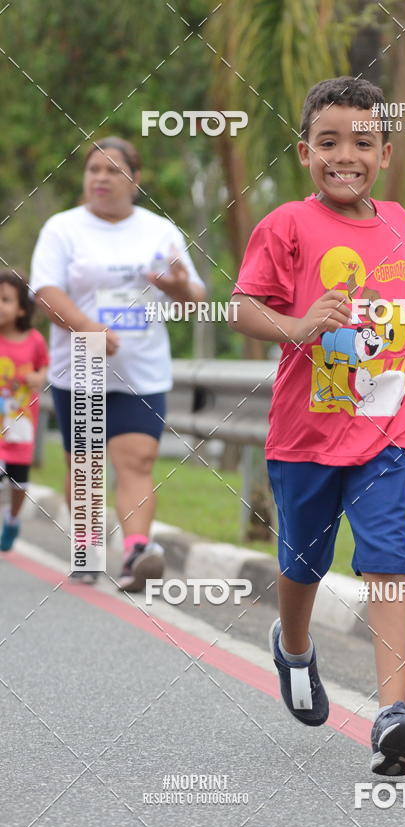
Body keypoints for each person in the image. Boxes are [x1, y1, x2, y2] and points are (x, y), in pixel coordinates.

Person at [229, 77, 405, 775]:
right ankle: (292, 648)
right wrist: (298, 325)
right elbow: (242, 308)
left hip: (386, 430)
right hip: (305, 435)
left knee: (388, 557)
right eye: (329, 142)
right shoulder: (286, 223)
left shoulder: (398, 220)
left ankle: (394, 713)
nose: (346, 156)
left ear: (385, 153)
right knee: (303, 563)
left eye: (363, 143)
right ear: (304, 151)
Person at [30, 136, 206, 590]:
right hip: (80, 368)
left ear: (135, 179)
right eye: (94, 169)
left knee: (138, 460)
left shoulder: (159, 230)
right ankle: (87, 546)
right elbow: (46, 292)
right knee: (85, 464)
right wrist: (87, 327)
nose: (102, 178)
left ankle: (135, 552)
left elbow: (195, 297)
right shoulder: (62, 229)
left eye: (114, 170)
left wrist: (179, 288)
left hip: (141, 370)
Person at [0, 271, 48, 551]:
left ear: (21, 309)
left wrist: (38, 378)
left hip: (21, 423)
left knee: (19, 482)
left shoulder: (34, 340)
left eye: (5, 299)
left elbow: (44, 367)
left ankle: (13, 519)